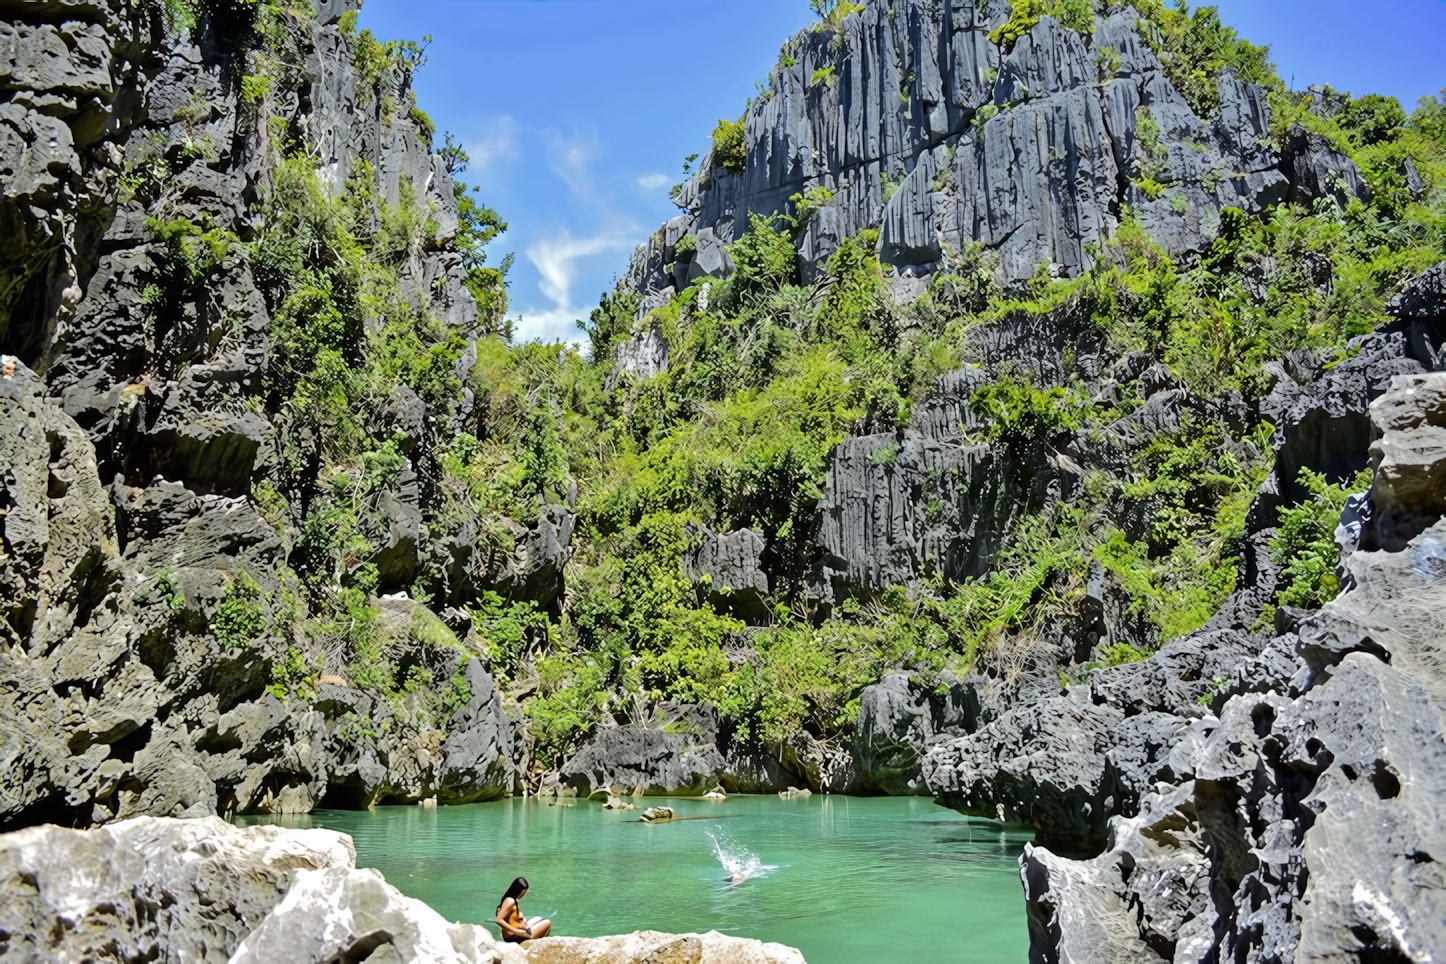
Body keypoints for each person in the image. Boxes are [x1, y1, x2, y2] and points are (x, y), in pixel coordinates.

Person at [495, 877, 551, 943]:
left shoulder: (511, 899)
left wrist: (522, 921)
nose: (523, 894)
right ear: (517, 890)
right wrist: (517, 931)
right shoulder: (510, 901)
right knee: (547, 922)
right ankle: (537, 943)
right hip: (514, 936)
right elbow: (498, 920)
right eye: (523, 892)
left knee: (538, 918)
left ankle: (535, 937)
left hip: (517, 929)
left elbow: (511, 917)